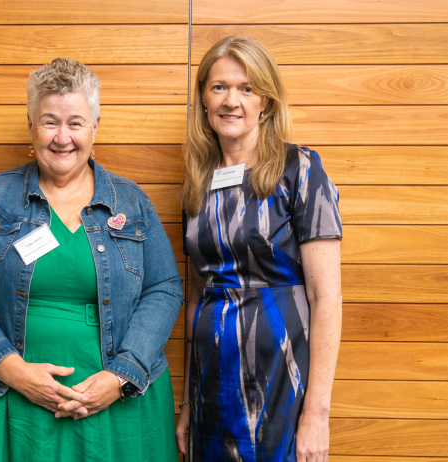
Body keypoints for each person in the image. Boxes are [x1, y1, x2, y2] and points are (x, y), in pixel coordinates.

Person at [0, 58, 183, 461]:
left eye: (76, 122)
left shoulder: (132, 201)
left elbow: (164, 289)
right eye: (50, 121)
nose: (62, 137)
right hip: (8, 397)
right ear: (31, 126)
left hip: (115, 401)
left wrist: (121, 376)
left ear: (95, 126)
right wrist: (14, 371)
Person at [176, 36, 343, 462]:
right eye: (219, 88)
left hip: (281, 380)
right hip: (212, 380)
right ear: (204, 100)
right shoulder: (197, 184)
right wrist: (187, 403)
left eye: (246, 89)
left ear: (265, 102)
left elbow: (327, 298)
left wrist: (317, 414)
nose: (232, 100)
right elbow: (197, 296)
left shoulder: (301, 170)